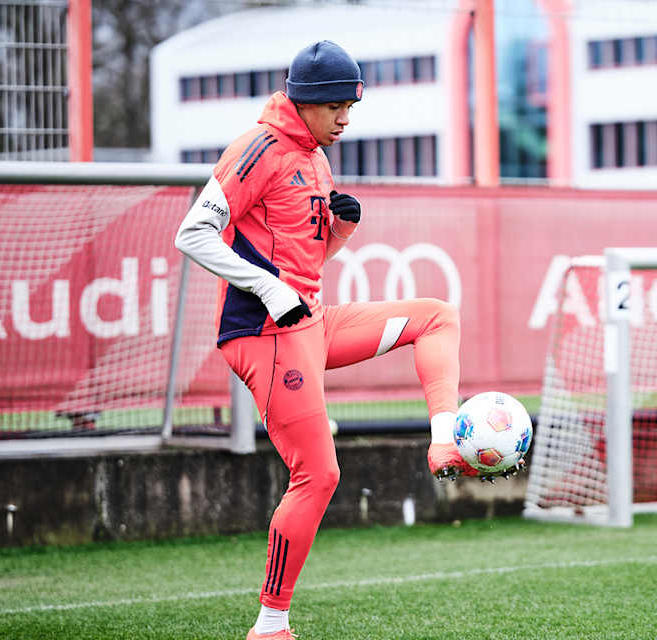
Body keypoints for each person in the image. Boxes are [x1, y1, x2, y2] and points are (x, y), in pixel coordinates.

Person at [174, 40, 493, 640]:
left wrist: (339, 231)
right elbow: (192, 234)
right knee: (318, 475)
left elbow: (301, 259)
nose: (348, 117)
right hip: (264, 336)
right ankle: (270, 625)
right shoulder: (258, 147)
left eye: (353, 104)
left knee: (437, 316)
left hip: (309, 324)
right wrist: (269, 292)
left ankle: (446, 443)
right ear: (309, 101)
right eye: (339, 105)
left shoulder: (316, 155)